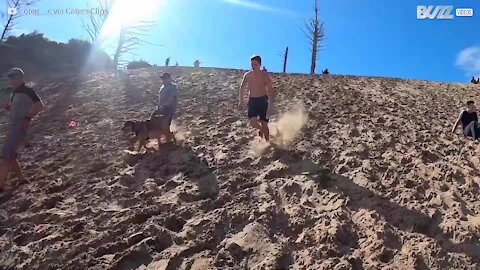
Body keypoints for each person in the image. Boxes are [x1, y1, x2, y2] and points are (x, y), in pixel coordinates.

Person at [0, 68, 44, 192]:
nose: (10, 80)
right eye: (10, 78)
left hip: (19, 127)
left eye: (12, 77)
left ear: (19, 77)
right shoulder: (14, 93)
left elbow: (40, 106)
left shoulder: (27, 91)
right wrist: (6, 107)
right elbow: (14, 110)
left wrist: (28, 118)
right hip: (12, 126)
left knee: (6, 155)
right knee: (11, 155)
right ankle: (21, 179)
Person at [238, 55, 275, 142]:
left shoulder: (264, 75)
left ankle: (268, 143)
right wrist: (241, 100)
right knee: (253, 122)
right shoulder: (247, 75)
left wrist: (271, 105)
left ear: (260, 64)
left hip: (263, 101)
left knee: (264, 124)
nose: (253, 66)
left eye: (255, 64)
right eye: (252, 64)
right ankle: (261, 130)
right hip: (252, 101)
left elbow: (271, 89)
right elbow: (242, 87)